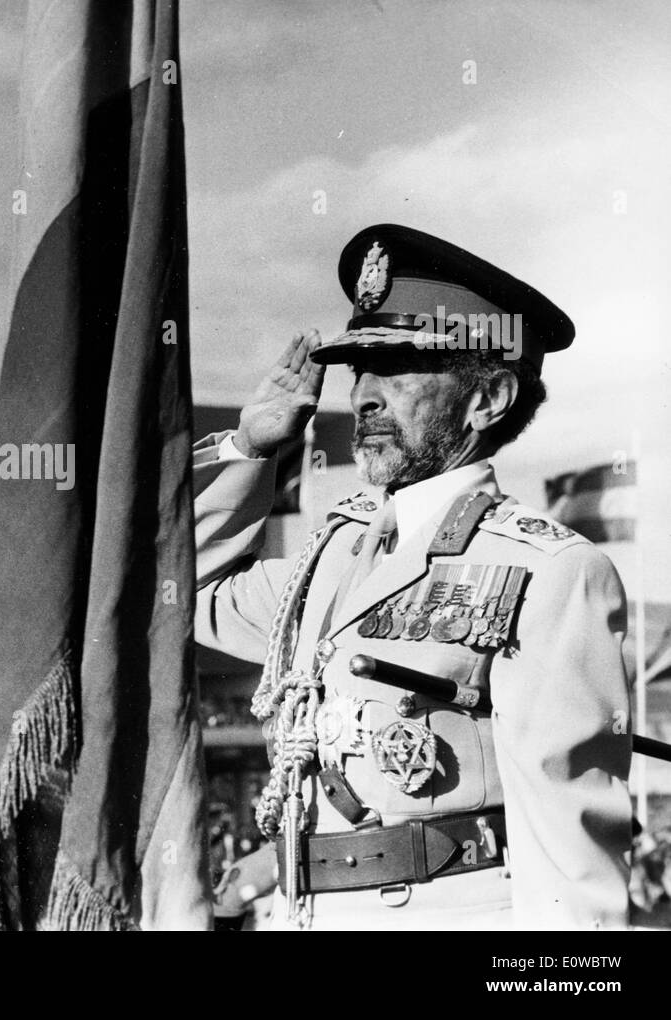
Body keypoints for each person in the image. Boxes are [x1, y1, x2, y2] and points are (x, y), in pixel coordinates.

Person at [195, 224, 632, 930]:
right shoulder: (329, 559)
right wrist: (250, 450)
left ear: (486, 399)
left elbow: (571, 860)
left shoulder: (549, 572)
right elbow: (173, 596)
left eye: (397, 369)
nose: (363, 396)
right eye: (357, 372)